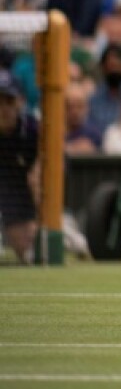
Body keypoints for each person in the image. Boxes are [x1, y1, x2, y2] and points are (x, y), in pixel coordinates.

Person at [0, 72, 38, 264]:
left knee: (30, 255)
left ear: (20, 102)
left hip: (22, 205)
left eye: (9, 101)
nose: (4, 109)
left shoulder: (32, 131)